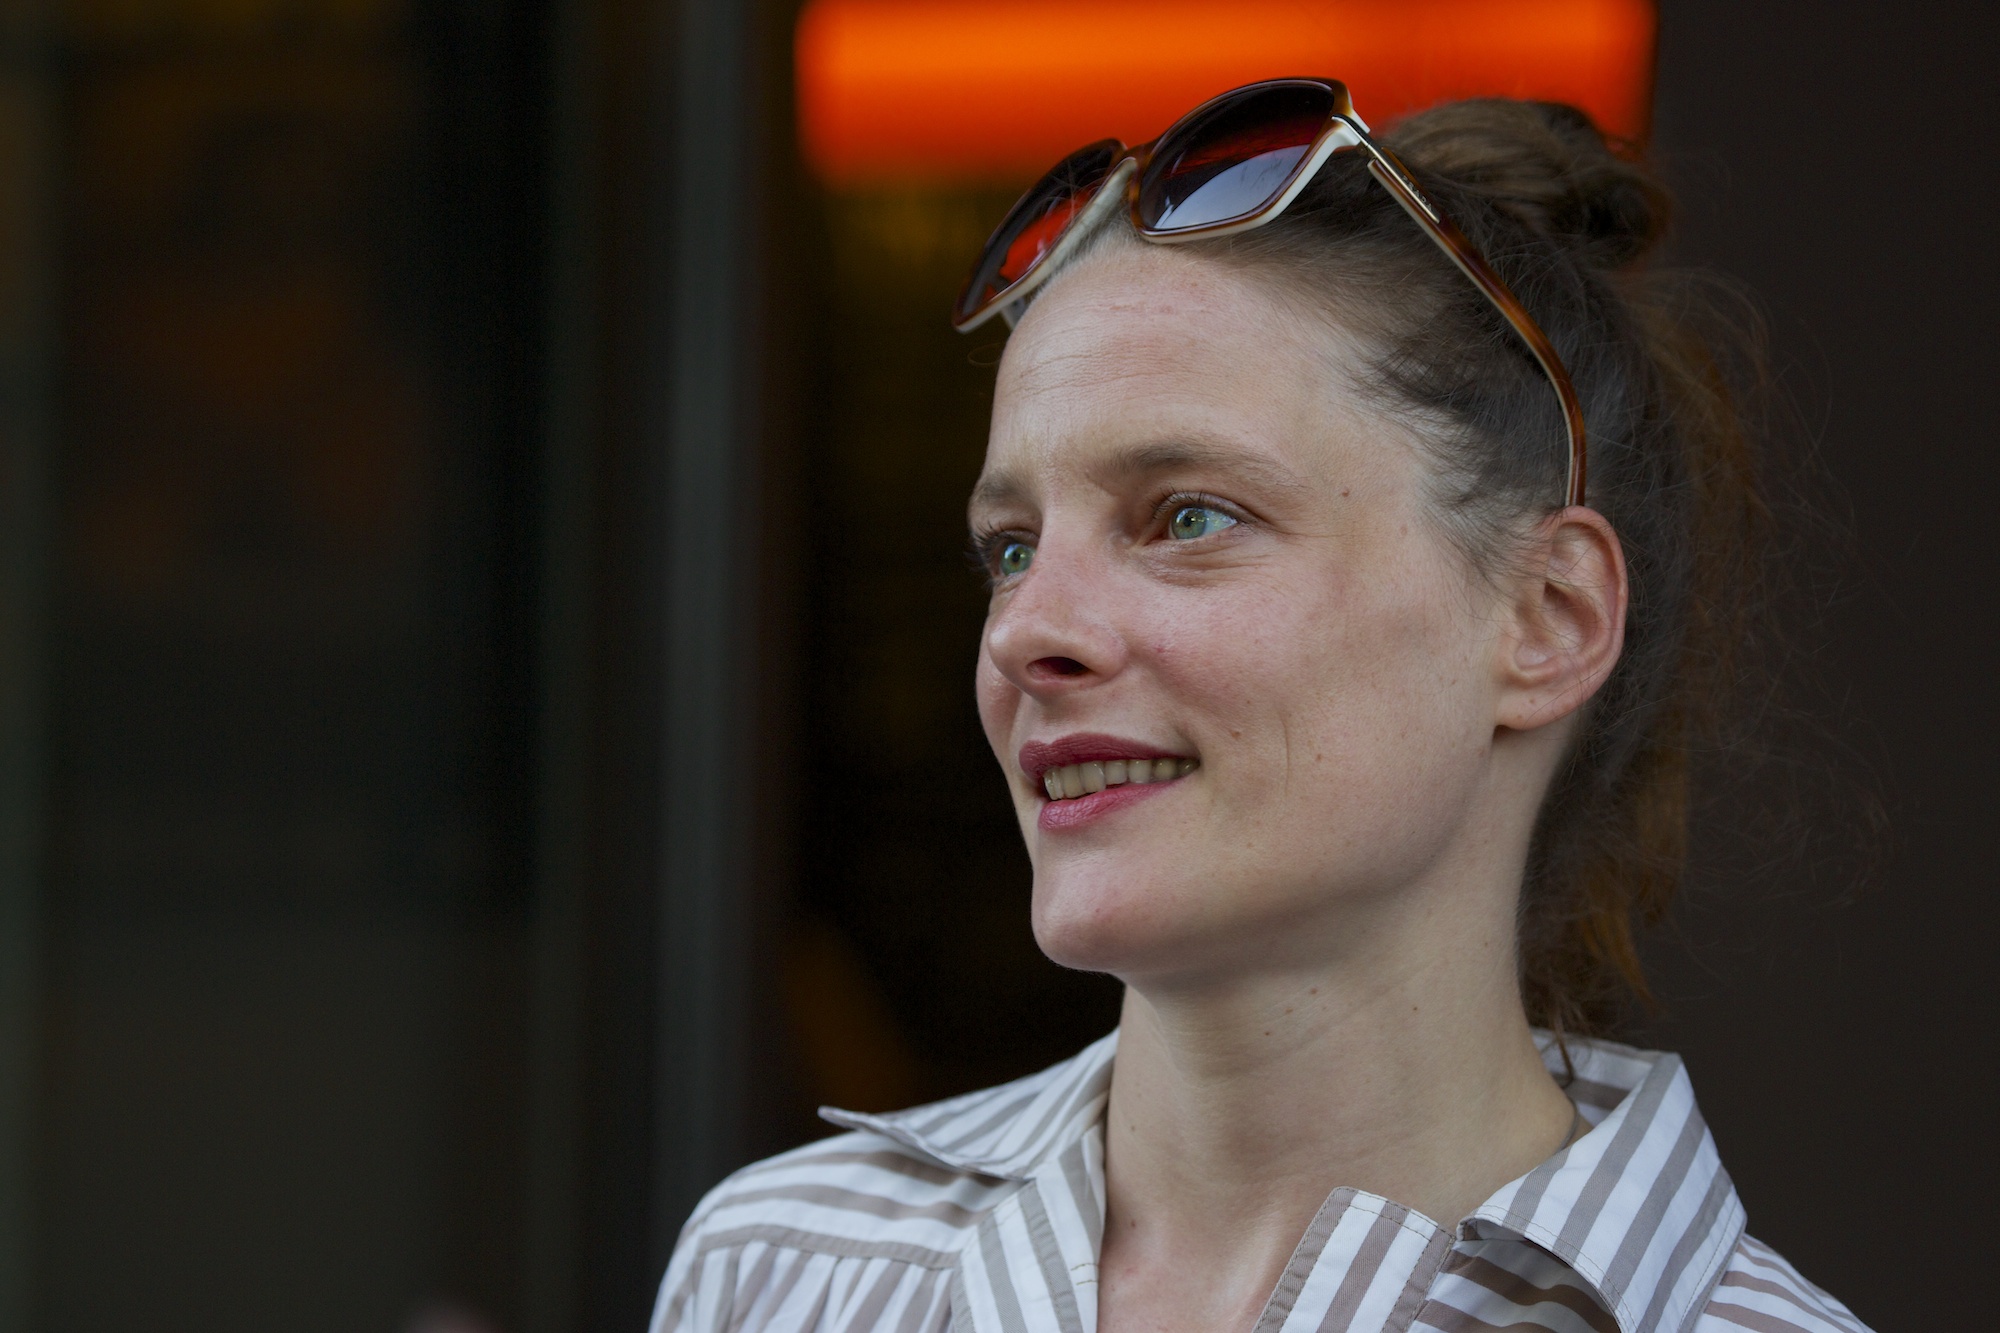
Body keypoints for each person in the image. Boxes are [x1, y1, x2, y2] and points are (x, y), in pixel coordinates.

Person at [651, 81, 1871, 1333]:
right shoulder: (783, 1271)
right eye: (1010, 547)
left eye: (1188, 516)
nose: (1022, 632)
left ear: (1545, 618)